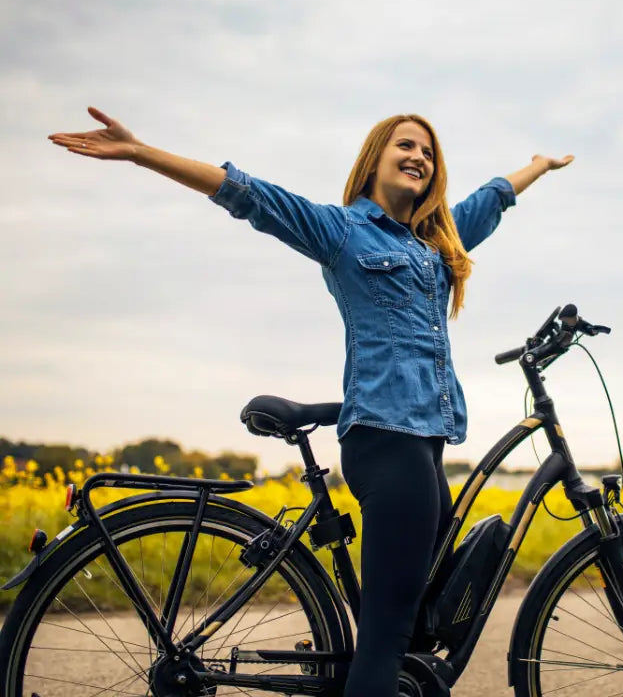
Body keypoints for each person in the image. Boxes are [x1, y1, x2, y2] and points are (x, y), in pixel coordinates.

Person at [48, 107, 573, 696]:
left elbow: (490, 199)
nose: (419, 158)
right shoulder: (342, 231)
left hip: (424, 449)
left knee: (410, 626)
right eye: (405, 145)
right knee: (387, 637)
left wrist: (537, 166)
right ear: (374, 160)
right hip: (386, 443)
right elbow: (248, 195)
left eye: (429, 152)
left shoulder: (437, 246)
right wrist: (142, 152)